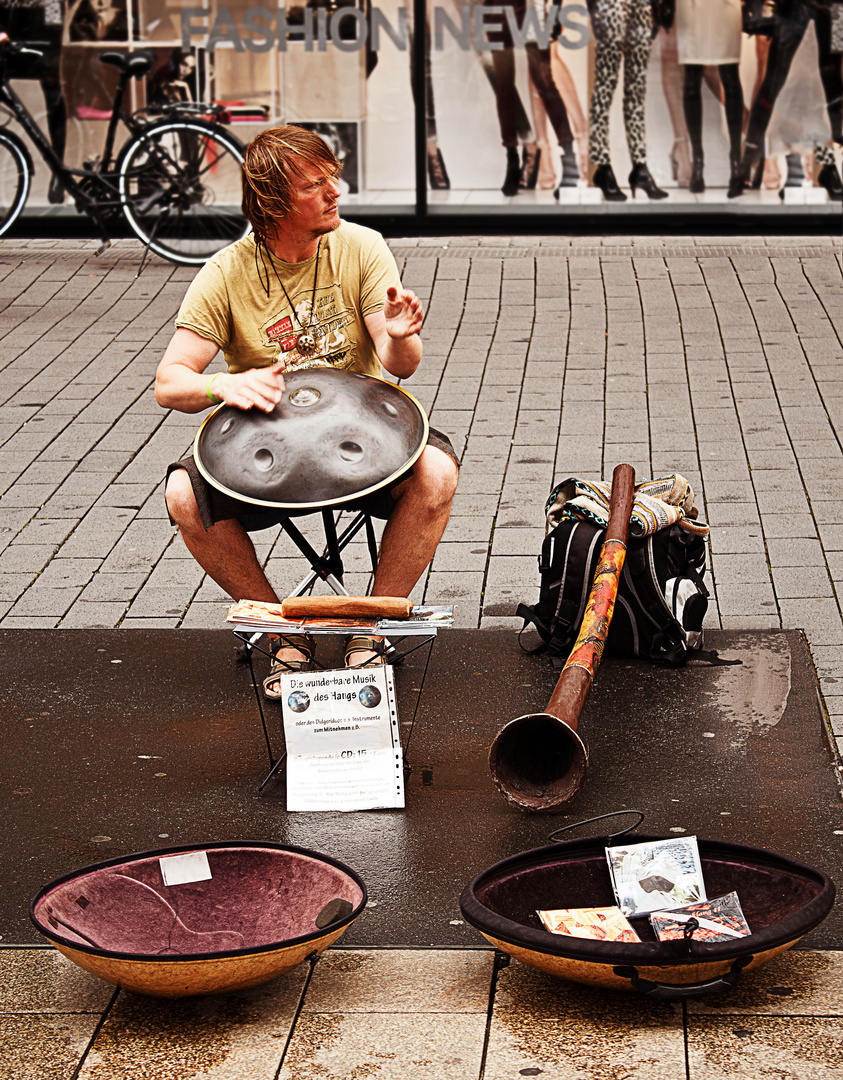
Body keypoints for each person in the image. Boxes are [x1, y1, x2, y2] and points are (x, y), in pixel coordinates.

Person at [155, 125, 459, 698]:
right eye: (314, 185)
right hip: (268, 453)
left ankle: (370, 629)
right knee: (181, 495)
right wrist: (226, 385)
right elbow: (169, 383)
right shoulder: (225, 274)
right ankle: (279, 637)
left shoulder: (361, 247)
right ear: (273, 202)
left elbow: (404, 366)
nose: (334, 192)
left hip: (366, 444)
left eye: (332, 178)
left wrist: (399, 337)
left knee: (437, 473)